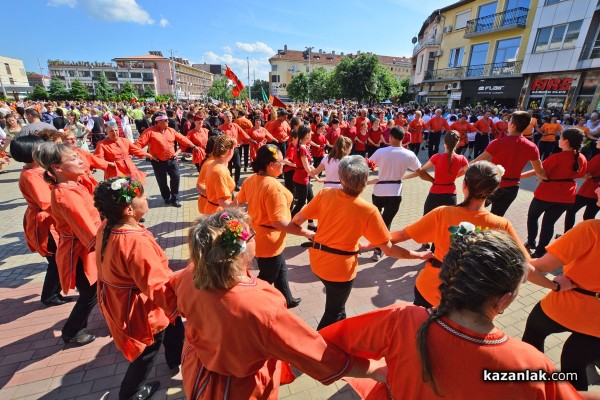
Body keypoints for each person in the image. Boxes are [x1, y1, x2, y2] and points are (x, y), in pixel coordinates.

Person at [319, 230, 581, 399]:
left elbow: (319, 347)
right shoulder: (530, 363)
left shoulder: (401, 319)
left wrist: (374, 370)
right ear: (503, 299)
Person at [169, 208, 385, 399]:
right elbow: (312, 351)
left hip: (196, 368)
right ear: (240, 250)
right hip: (240, 388)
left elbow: (168, 297)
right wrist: (371, 369)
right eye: (251, 234)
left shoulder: (189, 274)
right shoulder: (261, 304)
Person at [292, 156, 430, 330]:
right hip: (340, 270)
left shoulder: (324, 194)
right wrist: (418, 255)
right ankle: (318, 347)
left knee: (338, 309)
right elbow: (388, 249)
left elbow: (297, 219)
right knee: (334, 312)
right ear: (366, 181)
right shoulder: (368, 210)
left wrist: (308, 233)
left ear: (341, 179)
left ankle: (341, 338)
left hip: (317, 261)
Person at [389, 161, 530, 308]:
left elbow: (402, 235)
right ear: (492, 190)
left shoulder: (442, 213)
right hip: (470, 297)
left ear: (464, 184)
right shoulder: (502, 225)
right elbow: (526, 264)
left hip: (430, 287)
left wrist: (372, 241)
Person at [94, 177, 184, 400]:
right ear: (128, 209)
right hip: (141, 307)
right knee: (147, 351)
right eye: (142, 197)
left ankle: (176, 359)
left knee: (174, 329)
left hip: (123, 297)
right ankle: (130, 393)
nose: (148, 199)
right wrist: (183, 306)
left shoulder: (108, 225)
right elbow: (156, 286)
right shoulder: (134, 241)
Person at [522, 189, 600, 392]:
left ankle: (531, 388)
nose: (597, 189)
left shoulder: (592, 229)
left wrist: (518, 256)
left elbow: (541, 266)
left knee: (533, 336)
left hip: (564, 304)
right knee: (574, 366)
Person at [34, 142, 99, 346]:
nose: (80, 160)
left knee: (94, 291)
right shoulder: (67, 194)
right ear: (57, 168)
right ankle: (72, 331)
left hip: (86, 246)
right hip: (81, 251)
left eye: (77, 155)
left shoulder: (74, 185)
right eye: (72, 158)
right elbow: (89, 233)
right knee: (90, 293)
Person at [234, 145, 313, 308]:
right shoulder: (273, 188)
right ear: (271, 165)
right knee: (267, 276)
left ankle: (287, 299)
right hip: (269, 241)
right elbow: (279, 222)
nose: (284, 164)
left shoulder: (251, 180)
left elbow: (236, 203)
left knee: (280, 268)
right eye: (281, 161)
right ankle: (249, 304)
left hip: (259, 236)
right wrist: (307, 233)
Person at [12, 136, 65, 306]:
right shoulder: (32, 175)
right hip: (45, 223)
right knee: (56, 260)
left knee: (57, 260)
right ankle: (50, 295)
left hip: (47, 218)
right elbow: (46, 203)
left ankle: (53, 293)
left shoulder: (34, 171)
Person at [522, 128, 587, 257]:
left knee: (533, 216)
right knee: (549, 223)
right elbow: (582, 174)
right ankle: (540, 252)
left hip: (547, 193)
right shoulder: (582, 158)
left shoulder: (557, 157)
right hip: (566, 196)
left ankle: (531, 242)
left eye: (560, 138)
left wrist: (519, 176)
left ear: (566, 141)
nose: (559, 140)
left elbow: (538, 171)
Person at [473, 111, 547, 217]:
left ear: (512, 125)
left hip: (491, 185)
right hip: (512, 188)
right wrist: (544, 177)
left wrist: (458, 171)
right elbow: (539, 170)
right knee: (497, 217)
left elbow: (477, 161)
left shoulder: (497, 142)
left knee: (475, 212)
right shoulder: (532, 147)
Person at [406, 131, 468, 250]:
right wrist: (456, 175)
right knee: (446, 223)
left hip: (435, 192)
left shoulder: (437, 157)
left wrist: (432, 180)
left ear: (444, 143)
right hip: (451, 194)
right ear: (458, 143)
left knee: (427, 219)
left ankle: (425, 241)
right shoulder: (461, 158)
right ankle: (437, 247)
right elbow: (467, 170)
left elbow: (421, 171)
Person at [369, 126, 421, 261]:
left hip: (379, 190)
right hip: (395, 191)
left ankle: (377, 245)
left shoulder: (381, 151)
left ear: (390, 137)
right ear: (403, 139)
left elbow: (368, 164)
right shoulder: (409, 154)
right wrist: (405, 177)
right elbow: (419, 170)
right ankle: (379, 249)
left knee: (377, 220)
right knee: (386, 222)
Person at [135, 112, 197, 207]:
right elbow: (137, 146)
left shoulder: (171, 130)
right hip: (157, 161)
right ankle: (166, 197)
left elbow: (182, 139)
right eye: (165, 120)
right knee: (162, 181)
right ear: (158, 122)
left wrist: (193, 146)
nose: (168, 121)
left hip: (172, 160)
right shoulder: (149, 132)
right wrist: (147, 155)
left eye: (167, 120)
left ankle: (174, 198)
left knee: (176, 178)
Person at [95, 121, 152, 185]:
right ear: (107, 132)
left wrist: (149, 155)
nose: (115, 132)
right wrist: (108, 163)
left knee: (134, 188)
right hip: (114, 170)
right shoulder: (102, 144)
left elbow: (136, 149)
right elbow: (97, 159)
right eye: (111, 131)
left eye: (116, 130)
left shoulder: (124, 140)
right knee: (120, 190)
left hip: (129, 168)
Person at [563, 139, 600, 233]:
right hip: (596, 192)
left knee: (571, 210)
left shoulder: (598, 158)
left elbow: (586, 170)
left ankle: (567, 234)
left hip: (590, 190)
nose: (596, 141)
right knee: (589, 216)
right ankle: (585, 237)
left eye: (599, 140)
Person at [62, 130, 113, 195]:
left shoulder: (79, 151)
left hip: (89, 181)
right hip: (78, 184)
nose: (73, 140)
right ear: (63, 141)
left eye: (74, 138)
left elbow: (93, 159)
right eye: (70, 139)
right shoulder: (63, 155)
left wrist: (108, 163)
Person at [290, 125, 320, 231]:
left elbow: (309, 166)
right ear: (306, 135)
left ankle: (310, 223)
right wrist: (316, 175)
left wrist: (317, 177)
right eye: (310, 133)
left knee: (311, 201)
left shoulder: (302, 146)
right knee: (301, 202)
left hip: (304, 178)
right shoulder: (302, 148)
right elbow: (307, 167)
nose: (311, 134)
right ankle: (290, 221)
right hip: (301, 178)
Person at [204, 134, 236, 214]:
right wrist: (240, 211)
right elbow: (223, 201)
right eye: (233, 150)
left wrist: (233, 146)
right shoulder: (220, 171)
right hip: (218, 215)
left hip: (213, 210)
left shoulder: (214, 164)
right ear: (229, 152)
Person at [218, 111, 249, 190]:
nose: (229, 118)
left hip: (235, 150)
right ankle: (230, 183)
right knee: (228, 168)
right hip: (226, 151)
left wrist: (241, 142)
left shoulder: (236, 126)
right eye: (227, 117)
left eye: (230, 116)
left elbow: (245, 135)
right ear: (224, 118)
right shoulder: (220, 128)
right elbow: (218, 140)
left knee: (238, 166)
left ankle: (236, 183)